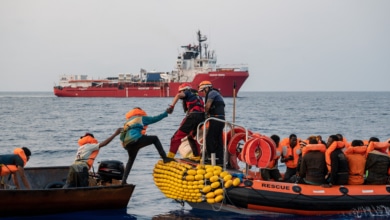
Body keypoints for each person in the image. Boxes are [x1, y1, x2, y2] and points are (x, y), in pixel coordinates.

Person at [120, 107, 174, 185]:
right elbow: (155, 118)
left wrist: (125, 145)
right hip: (136, 139)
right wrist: (166, 113)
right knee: (155, 139)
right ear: (140, 112)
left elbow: (122, 136)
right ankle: (165, 158)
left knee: (130, 160)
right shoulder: (141, 118)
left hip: (127, 144)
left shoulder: (127, 123)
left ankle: (123, 181)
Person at [166, 83, 205, 159]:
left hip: (193, 116)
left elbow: (178, 96)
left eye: (181, 91)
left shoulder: (187, 92)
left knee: (176, 137)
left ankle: (170, 157)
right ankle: (197, 157)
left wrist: (171, 107)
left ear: (183, 90)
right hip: (201, 117)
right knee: (191, 137)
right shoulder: (198, 96)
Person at [198, 81, 225, 165]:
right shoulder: (217, 94)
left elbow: (208, 106)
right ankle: (219, 160)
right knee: (218, 140)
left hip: (216, 119)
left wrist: (203, 114)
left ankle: (211, 159)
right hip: (220, 120)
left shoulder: (212, 93)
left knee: (209, 139)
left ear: (207, 88)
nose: (202, 93)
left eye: (203, 90)